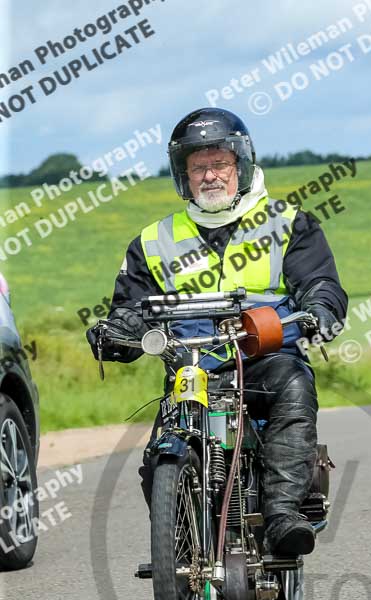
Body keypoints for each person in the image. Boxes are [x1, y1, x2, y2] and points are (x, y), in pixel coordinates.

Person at [87, 107, 348, 556]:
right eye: (198, 167)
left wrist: (321, 309)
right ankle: (184, 553)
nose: (209, 175)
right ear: (182, 175)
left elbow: (320, 283)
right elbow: (129, 306)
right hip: (193, 367)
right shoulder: (152, 241)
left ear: (241, 166)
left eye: (219, 164)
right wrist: (119, 328)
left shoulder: (289, 224)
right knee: (157, 460)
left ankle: (283, 515)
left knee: (293, 386)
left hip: (266, 357)